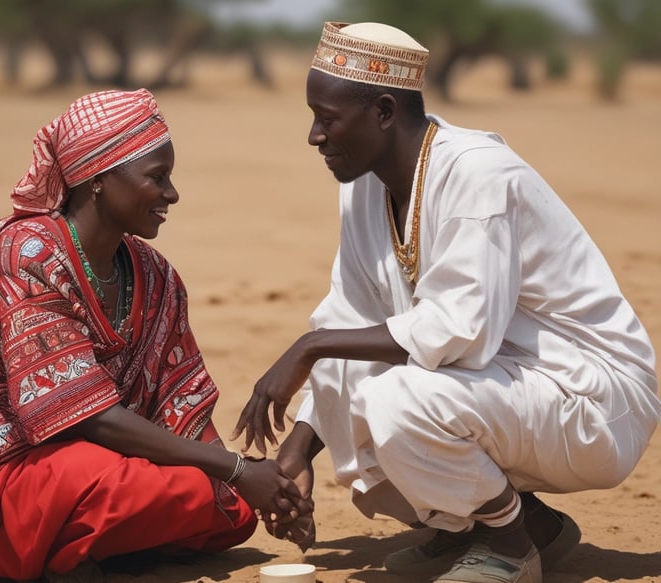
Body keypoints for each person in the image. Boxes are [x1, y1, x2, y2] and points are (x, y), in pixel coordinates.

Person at [232, 21, 661, 583]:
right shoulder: (363, 186)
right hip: (512, 383)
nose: (315, 136)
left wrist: (308, 347)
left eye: (327, 118)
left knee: (396, 401)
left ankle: (509, 547)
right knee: (361, 376)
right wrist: (296, 454)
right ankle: (525, 527)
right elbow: (350, 319)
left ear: (384, 112)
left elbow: (461, 331)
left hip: (593, 396)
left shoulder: (478, 173)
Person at [0, 89, 306, 582]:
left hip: (98, 459)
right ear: (98, 179)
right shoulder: (26, 258)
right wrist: (237, 469)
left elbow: (180, 405)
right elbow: (87, 418)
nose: (172, 194)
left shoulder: (155, 275)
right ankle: (61, 547)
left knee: (230, 509)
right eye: (157, 177)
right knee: (147, 485)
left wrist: (254, 486)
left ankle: (86, 546)